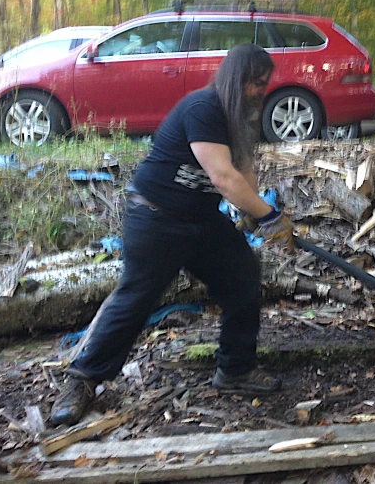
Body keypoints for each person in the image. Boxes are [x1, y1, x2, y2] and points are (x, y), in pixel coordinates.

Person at [49, 43, 294, 427]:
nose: (262, 91)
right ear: (237, 80)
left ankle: (235, 370)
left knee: (243, 275)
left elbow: (243, 174)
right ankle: (81, 380)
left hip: (200, 220)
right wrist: (270, 217)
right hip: (156, 219)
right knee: (136, 298)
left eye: (265, 84)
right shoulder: (203, 109)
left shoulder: (238, 119)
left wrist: (251, 211)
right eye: (257, 84)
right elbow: (222, 177)